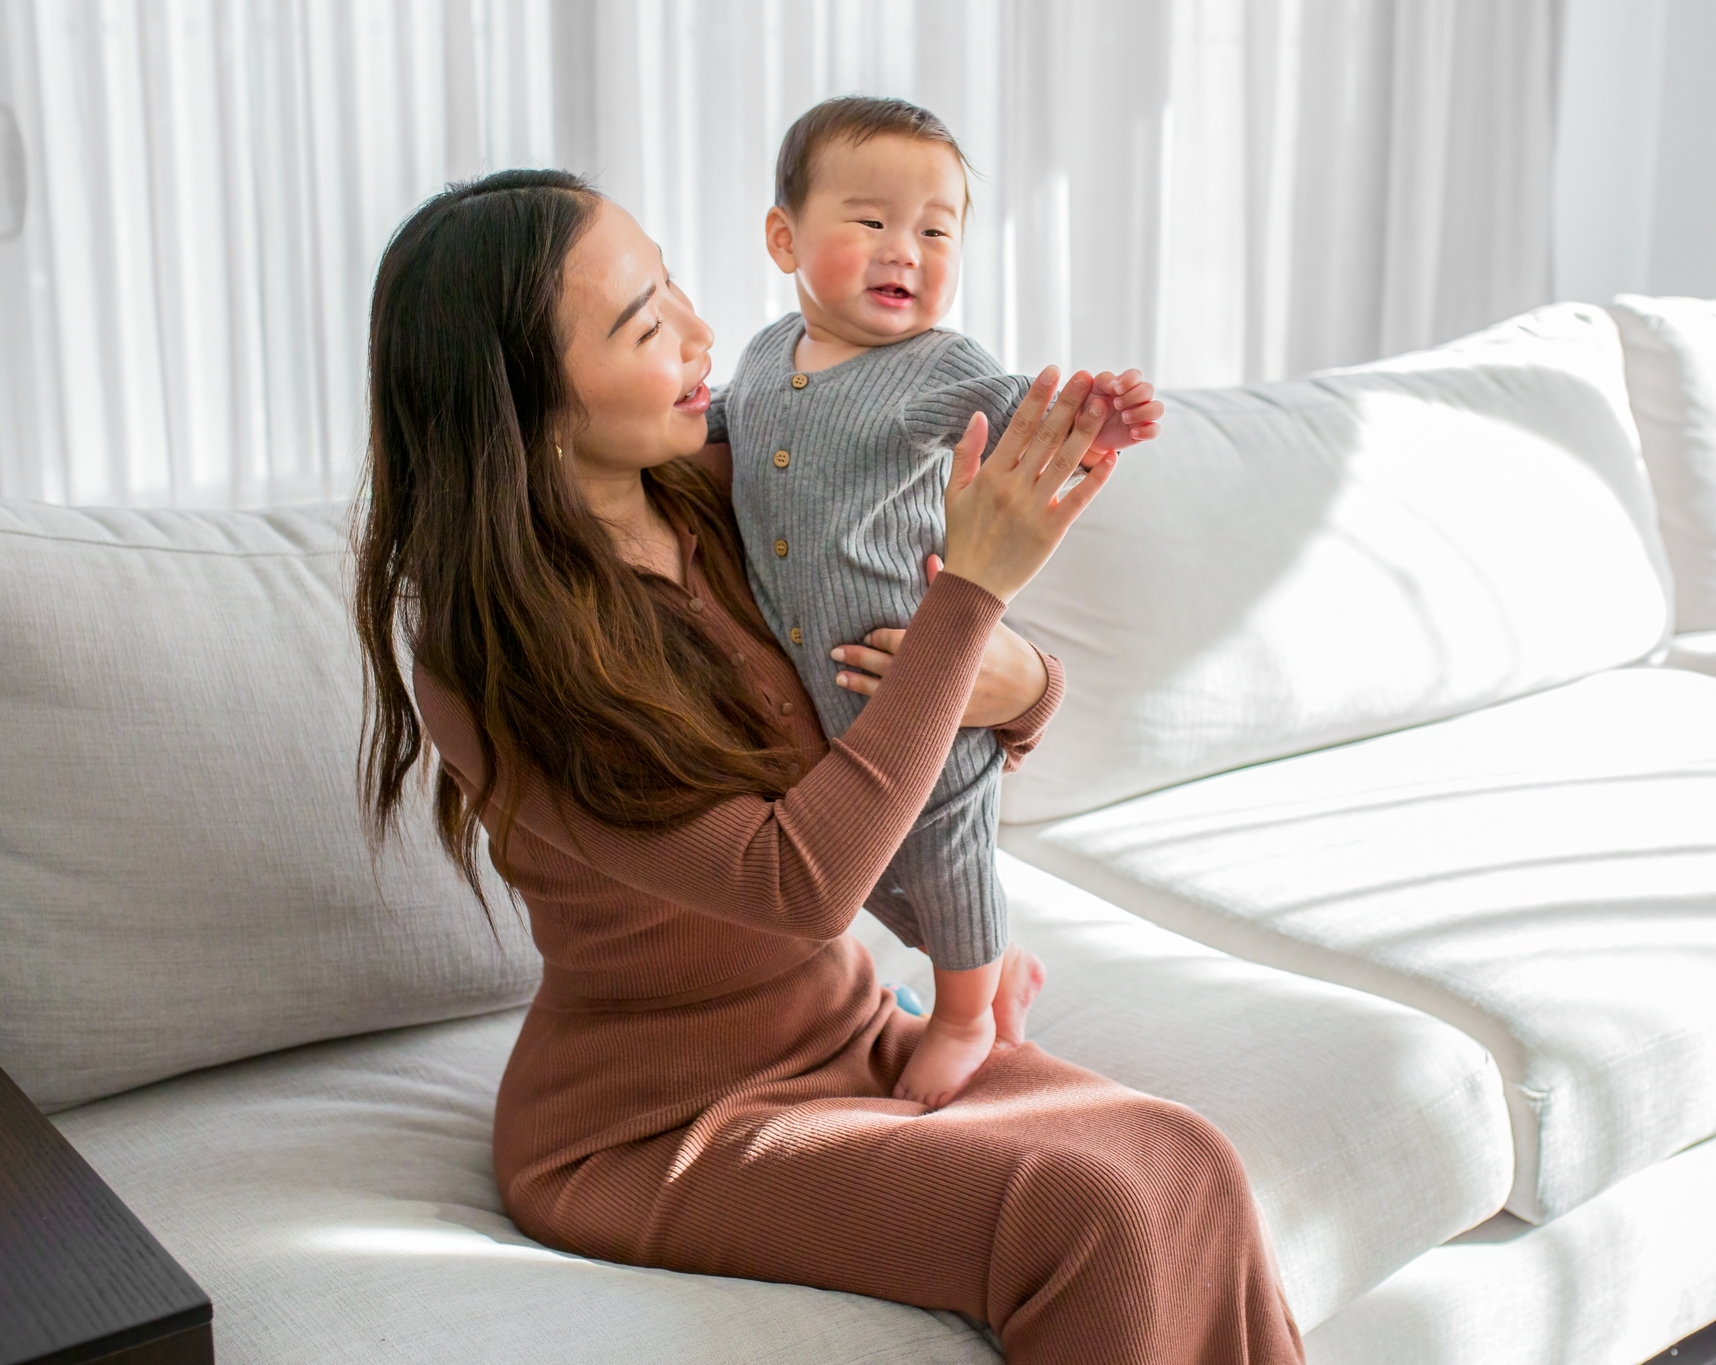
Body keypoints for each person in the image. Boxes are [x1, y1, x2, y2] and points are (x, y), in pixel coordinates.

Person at [353, 168, 1303, 1364]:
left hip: (849, 1032)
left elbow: (913, 676)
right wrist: (972, 596)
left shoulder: (723, 491)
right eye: (645, 324)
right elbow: (798, 885)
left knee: (1186, 1157)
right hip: (654, 1127)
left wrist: (1028, 683)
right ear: (526, 405)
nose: (705, 333)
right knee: (1096, 1214)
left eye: (674, 287)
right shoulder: (492, 657)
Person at [714, 95, 1164, 1106]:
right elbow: (723, 437)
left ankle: (967, 1013)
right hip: (817, 715)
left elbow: (1021, 416)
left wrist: (1093, 419)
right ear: (783, 236)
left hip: (921, 680)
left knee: (947, 855)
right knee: (874, 874)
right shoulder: (757, 355)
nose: (901, 251)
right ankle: (998, 959)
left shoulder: (938, 366)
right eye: (869, 222)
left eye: (934, 230)